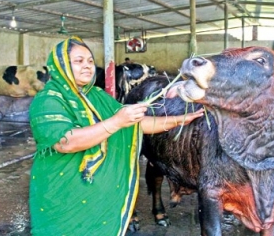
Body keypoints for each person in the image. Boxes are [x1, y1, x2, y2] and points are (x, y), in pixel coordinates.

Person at [28, 36, 204, 236]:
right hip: (63, 194)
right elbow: (65, 143)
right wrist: (116, 121)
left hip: (97, 198)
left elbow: (136, 123)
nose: (87, 66)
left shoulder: (96, 95)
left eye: (90, 61)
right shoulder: (47, 101)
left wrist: (182, 119)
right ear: (61, 65)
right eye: (78, 61)